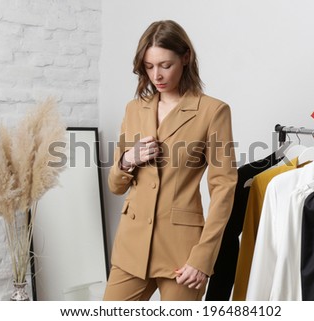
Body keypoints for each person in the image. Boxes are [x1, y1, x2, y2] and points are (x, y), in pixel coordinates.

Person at [103, 20, 237, 301]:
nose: (157, 75)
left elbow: (223, 189)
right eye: (149, 67)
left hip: (182, 254)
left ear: (185, 57)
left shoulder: (212, 111)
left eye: (165, 65)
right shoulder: (134, 109)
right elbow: (116, 186)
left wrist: (203, 257)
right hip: (131, 246)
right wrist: (128, 159)